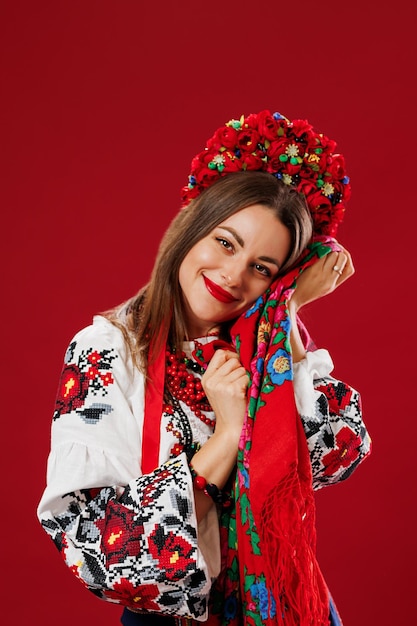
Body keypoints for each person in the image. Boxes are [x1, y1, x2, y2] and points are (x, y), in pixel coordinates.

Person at [38, 110, 371, 626]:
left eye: (262, 269)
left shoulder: (265, 351)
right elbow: (102, 550)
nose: (232, 275)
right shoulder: (109, 348)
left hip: (287, 609)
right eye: (225, 242)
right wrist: (229, 434)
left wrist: (284, 315)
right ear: (191, 228)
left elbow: (334, 457)